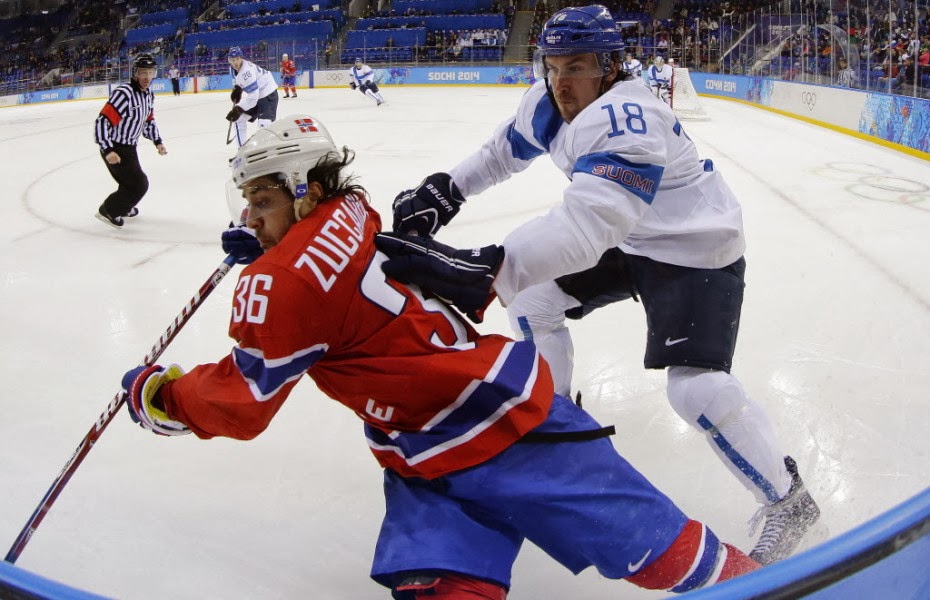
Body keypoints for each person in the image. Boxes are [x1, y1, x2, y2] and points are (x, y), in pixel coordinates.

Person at [121, 114, 761, 598]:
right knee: (443, 583)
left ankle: (788, 586)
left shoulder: (285, 284)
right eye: (249, 204)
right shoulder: (350, 209)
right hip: (426, 442)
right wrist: (270, 238)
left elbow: (244, 399)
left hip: (505, 426)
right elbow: (324, 263)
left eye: (261, 202)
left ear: (304, 190)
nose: (251, 216)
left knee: (664, 552)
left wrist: (159, 397)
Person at [382, 4, 821, 567]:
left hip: (695, 249)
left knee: (695, 389)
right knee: (535, 298)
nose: (562, 82)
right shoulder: (548, 101)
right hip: (634, 236)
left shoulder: (631, 117)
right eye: (554, 66)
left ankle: (790, 501)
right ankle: (555, 416)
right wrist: (446, 189)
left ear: (611, 66)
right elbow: (501, 153)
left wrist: (485, 269)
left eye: (578, 67)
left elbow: (587, 229)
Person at [93, 53, 167, 228]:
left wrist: (157, 141)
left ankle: (124, 207)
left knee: (129, 182)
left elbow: (148, 120)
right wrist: (108, 149)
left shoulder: (148, 95)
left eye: (151, 72)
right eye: (143, 72)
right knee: (139, 185)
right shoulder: (124, 93)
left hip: (130, 148)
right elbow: (102, 121)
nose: (147, 77)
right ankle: (109, 210)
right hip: (115, 147)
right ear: (135, 73)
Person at [226, 46, 279, 147]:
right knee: (239, 119)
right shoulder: (232, 69)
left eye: (237, 59)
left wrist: (238, 109)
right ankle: (242, 151)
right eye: (233, 60)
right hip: (258, 94)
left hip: (268, 94)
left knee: (264, 125)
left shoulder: (247, 72)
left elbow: (253, 99)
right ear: (229, 60)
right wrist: (238, 89)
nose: (235, 62)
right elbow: (239, 81)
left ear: (241, 58)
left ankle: (266, 151)